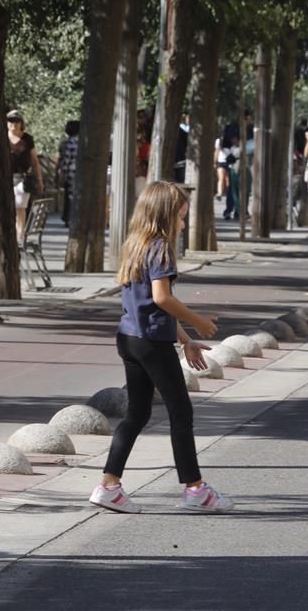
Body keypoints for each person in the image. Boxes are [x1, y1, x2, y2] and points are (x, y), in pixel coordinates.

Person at [88, 181, 233, 514]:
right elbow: (162, 298)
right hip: (151, 342)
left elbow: (149, 307)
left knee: (136, 414)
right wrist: (197, 321)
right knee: (181, 412)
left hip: (130, 338)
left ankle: (109, 486)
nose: (183, 224)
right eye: (181, 217)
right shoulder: (161, 248)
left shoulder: (135, 245)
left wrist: (186, 341)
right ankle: (195, 489)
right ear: (166, 216)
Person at [7, 110, 44, 241]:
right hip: (5, 179)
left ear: (21, 123)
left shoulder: (27, 138)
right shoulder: (2, 138)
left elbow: (34, 160)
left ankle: (20, 236)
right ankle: (11, 235)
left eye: (17, 121)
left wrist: (39, 179)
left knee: (20, 207)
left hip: (23, 178)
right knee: (8, 208)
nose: (14, 124)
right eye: (10, 121)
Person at [55, 120, 80, 228]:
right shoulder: (81, 143)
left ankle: (68, 218)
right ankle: (73, 218)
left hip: (70, 172)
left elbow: (64, 160)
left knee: (69, 196)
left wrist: (60, 174)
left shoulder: (66, 143)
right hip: (78, 172)